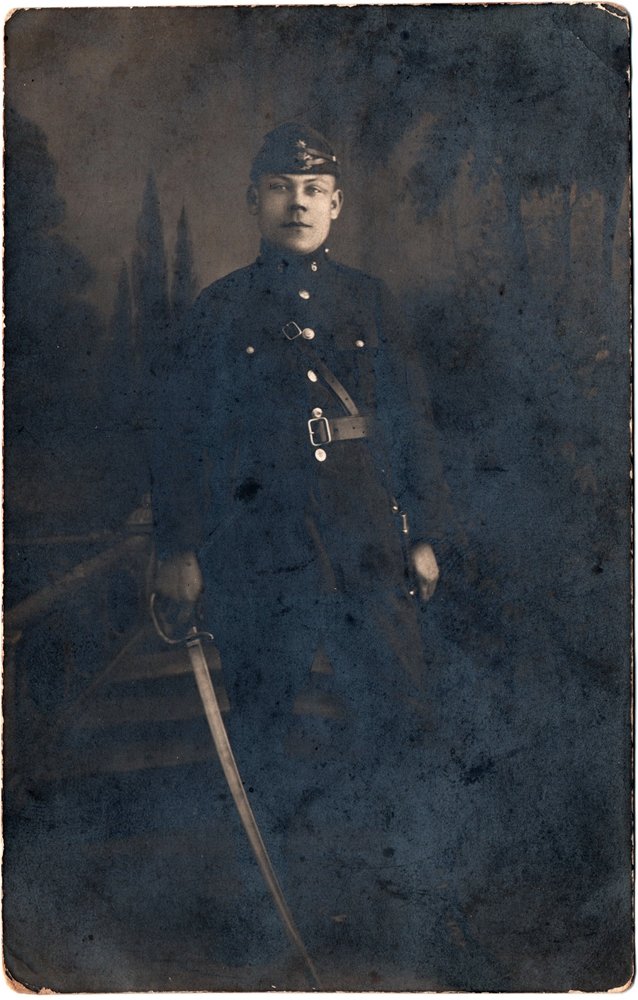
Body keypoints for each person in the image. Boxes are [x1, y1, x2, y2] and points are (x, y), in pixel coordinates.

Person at [151, 123, 447, 980]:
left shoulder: (371, 302)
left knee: (402, 717)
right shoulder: (219, 310)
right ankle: (269, 922)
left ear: (338, 205)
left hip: (364, 542)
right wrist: (178, 548)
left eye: (314, 189)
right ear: (254, 201)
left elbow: (413, 423)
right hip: (257, 550)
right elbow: (177, 439)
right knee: (263, 732)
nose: (298, 203)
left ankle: (407, 911)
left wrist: (427, 533)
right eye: (281, 186)